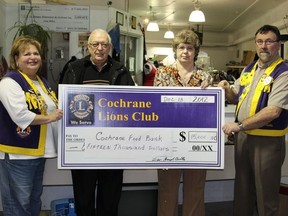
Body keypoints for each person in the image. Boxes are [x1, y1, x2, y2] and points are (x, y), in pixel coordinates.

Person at [61, 28, 135, 216]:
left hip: (113, 148)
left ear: (110, 47)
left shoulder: (121, 70)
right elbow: (63, 101)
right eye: (95, 44)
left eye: (104, 44)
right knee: (83, 197)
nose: (100, 48)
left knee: (110, 199)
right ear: (88, 47)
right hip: (82, 148)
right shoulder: (74, 68)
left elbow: (132, 104)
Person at [218, 24, 288, 216]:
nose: (263, 46)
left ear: (278, 44)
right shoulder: (249, 68)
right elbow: (236, 97)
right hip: (243, 139)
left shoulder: (283, 72)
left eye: (269, 41)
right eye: (259, 41)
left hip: (267, 142)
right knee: (242, 191)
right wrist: (226, 89)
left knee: (266, 196)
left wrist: (239, 125)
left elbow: (273, 111)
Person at [0, 35, 63, 216]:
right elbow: (20, 116)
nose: (33, 57)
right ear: (16, 59)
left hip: (38, 152)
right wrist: (50, 117)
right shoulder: (9, 82)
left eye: (36, 53)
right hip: (18, 154)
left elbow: (54, 108)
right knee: (18, 203)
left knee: (34, 199)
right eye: (26, 54)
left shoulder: (42, 82)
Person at [153, 29, 213, 216]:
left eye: (189, 48)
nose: (185, 51)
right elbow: (157, 105)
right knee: (167, 190)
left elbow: (211, 109)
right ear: (175, 50)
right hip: (168, 141)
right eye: (181, 47)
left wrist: (212, 90)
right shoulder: (162, 74)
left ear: (195, 51)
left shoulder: (206, 77)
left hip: (196, 140)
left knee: (195, 190)